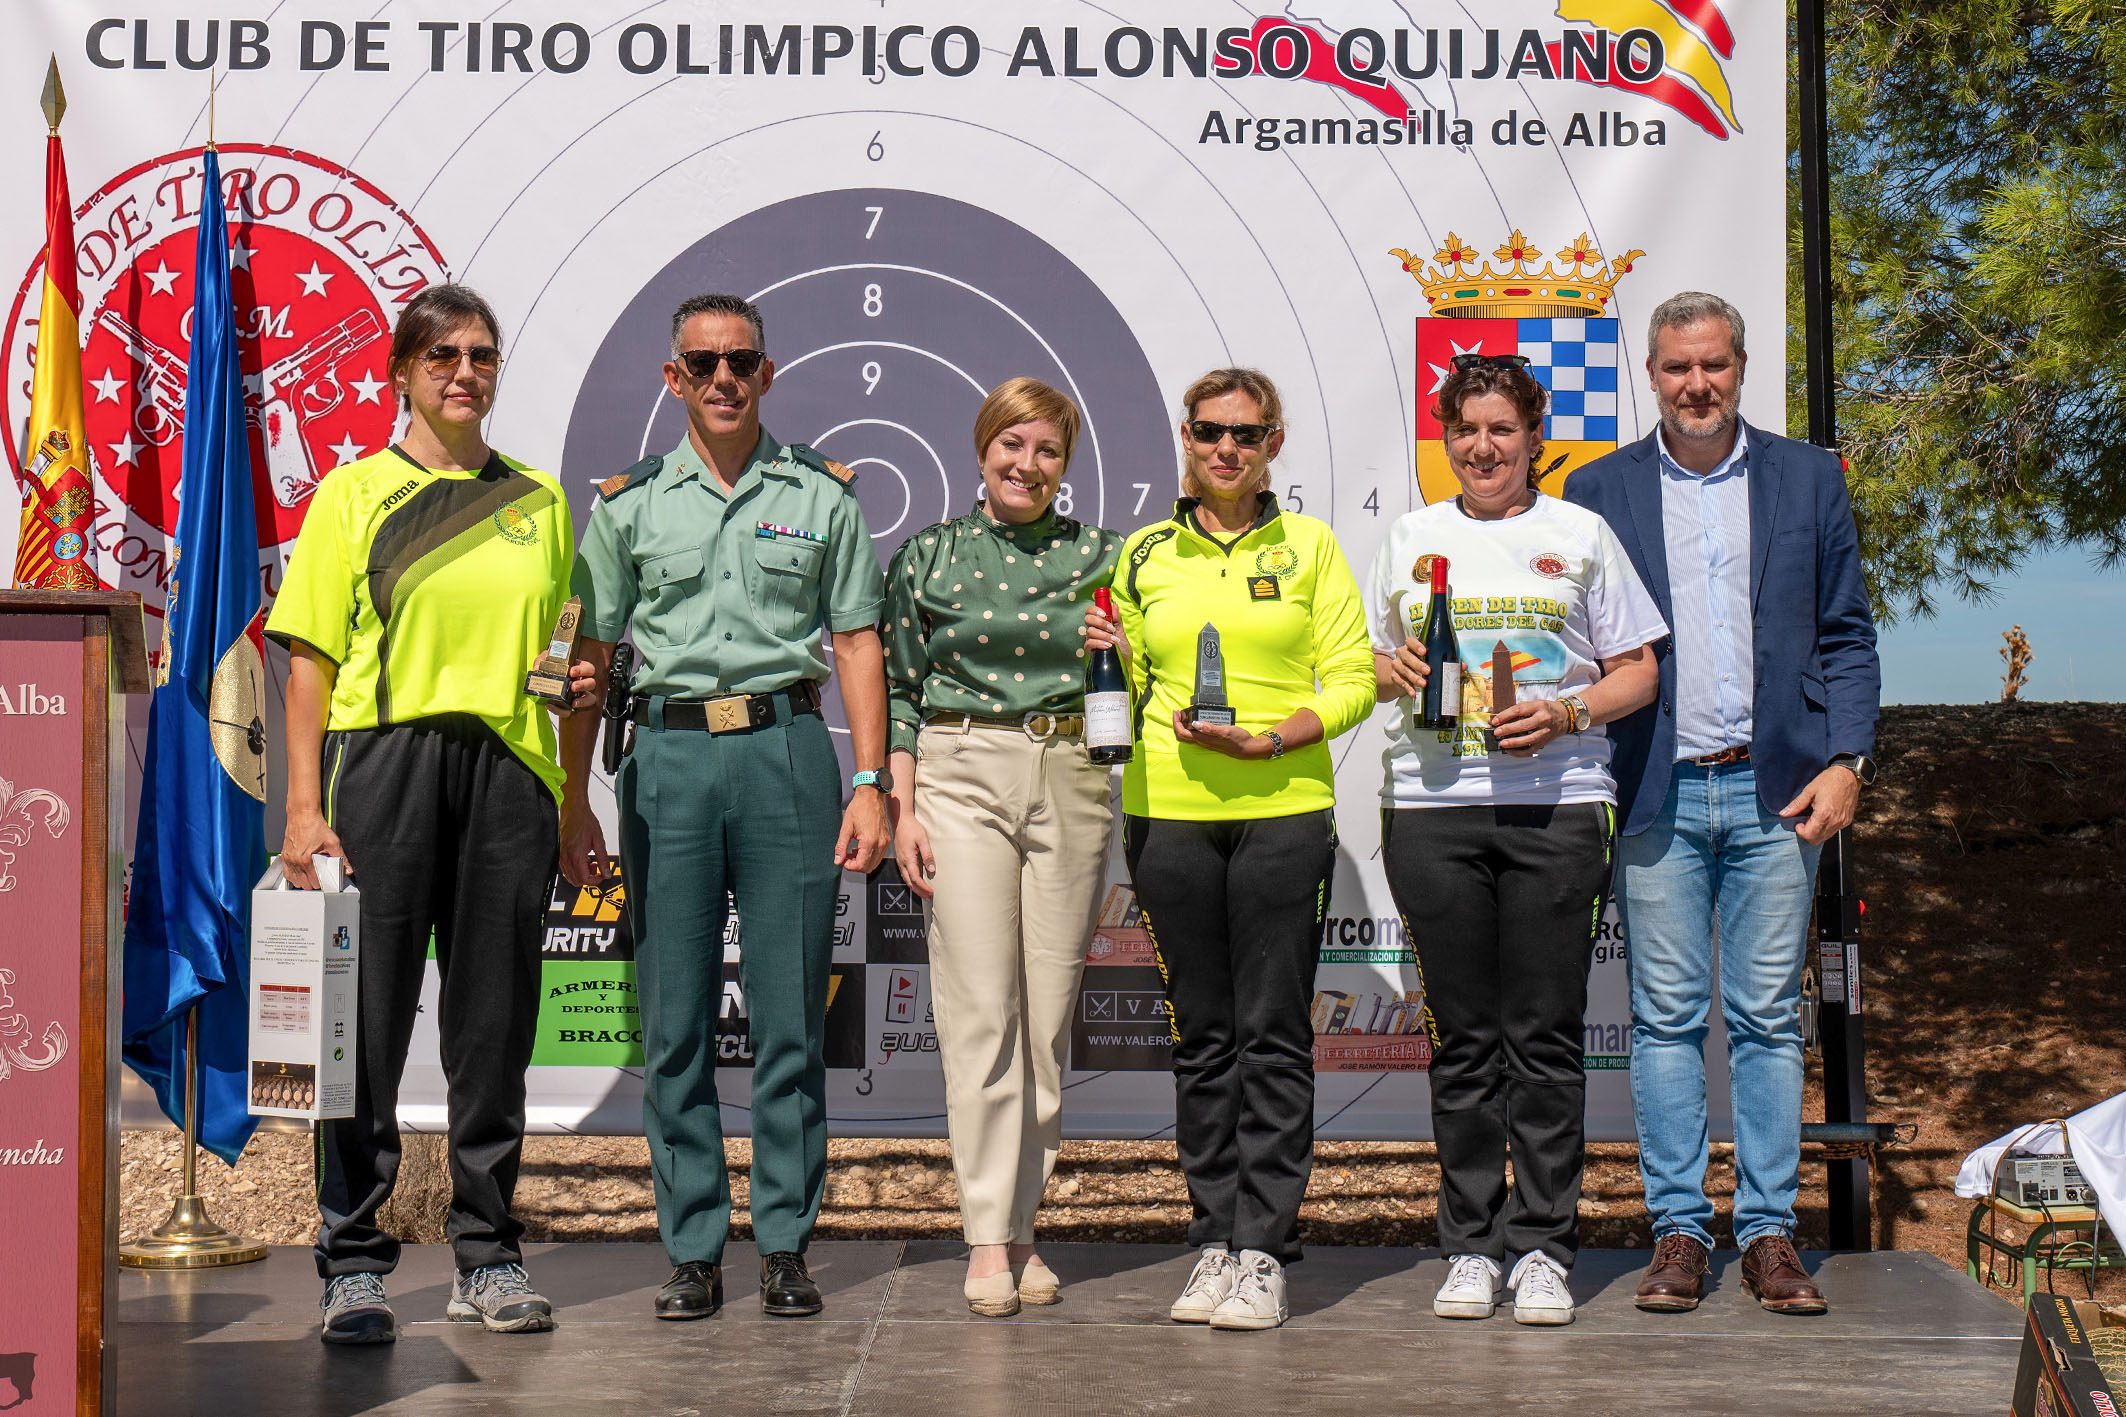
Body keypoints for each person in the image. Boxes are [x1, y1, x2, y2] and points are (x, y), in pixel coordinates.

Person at [268, 283, 596, 1345]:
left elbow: (562, 659)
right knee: (360, 1025)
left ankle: (487, 1255)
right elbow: (311, 656)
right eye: (443, 354)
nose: (466, 371)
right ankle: (352, 1263)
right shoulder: (353, 493)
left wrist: (573, 759)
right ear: (402, 371)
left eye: (483, 355)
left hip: (508, 774)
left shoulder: (542, 502)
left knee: (492, 1029)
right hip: (384, 765)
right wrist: (305, 805)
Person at [558, 292, 891, 1323]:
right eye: (700, 364)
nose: (721, 380)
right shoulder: (625, 506)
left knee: (792, 1016)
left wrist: (873, 779)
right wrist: (574, 798)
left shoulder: (824, 494)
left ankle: (785, 1243)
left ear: (768, 370)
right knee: (675, 1020)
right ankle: (693, 1246)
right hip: (667, 758)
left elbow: (855, 643)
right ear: (672, 379)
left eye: (740, 360)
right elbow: (588, 657)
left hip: (787, 753)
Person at [1563, 291, 1880, 1315]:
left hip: (1775, 791)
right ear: (1647, 374)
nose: (1693, 384)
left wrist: (1847, 758)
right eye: (1672, 367)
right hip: (1653, 788)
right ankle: (1676, 1233)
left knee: (1762, 1023)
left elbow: (1846, 633)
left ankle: (1768, 1234)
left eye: (1711, 365)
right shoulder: (1595, 489)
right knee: (1660, 1020)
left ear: (1740, 366)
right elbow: (1578, 645)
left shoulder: (1804, 475)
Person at [1367, 355, 1665, 1326]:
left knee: (1540, 1038)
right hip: (1431, 808)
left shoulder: (1578, 532)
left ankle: (1540, 1246)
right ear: (1443, 437)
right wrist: (1392, 664)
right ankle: (1468, 1245)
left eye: (1500, 429)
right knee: (1460, 1040)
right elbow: (1368, 663)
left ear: (1533, 434)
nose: (1481, 448)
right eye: (1464, 431)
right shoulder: (1410, 537)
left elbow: (1635, 673)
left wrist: (1570, 712)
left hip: (1556, 807)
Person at [1103, 368, 1374, 1331]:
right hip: (1166, 812)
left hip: (1283, 806)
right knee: (1203, 1037)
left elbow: (1353, 678)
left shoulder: (1309, 547)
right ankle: (1213, 1238)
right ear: (1186, 434)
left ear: (1274, 443)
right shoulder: (1142, 551)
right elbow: (1122, 680)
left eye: (1247, 435)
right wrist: (1106, 644)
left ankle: (1265, 1247)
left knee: (1272, 1032)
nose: (1227, 449)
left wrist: (1275, 738)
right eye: (1211, 432)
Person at [881, 377, 1126, 1317]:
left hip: (1071, 771)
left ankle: (1025, 1226)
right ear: (982, 448)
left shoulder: (1108, 558)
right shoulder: (928, 556)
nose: (1027, 465)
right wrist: (901, 803)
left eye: (1048, 450)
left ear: (1069, 462)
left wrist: (1125, 647)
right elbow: (900, 689)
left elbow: (1146, 677)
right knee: (982, 1009)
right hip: (960, 770)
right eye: (1011, 446)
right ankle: (987, 1239)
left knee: (1047, 1017)